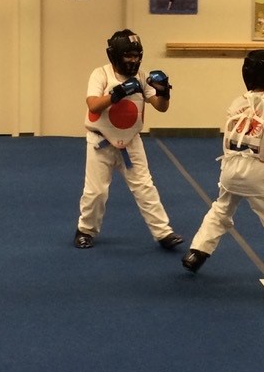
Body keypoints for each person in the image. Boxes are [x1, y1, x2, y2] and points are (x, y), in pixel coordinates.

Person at [182, 50, 264, 305]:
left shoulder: (238, 102)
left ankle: (197, 252)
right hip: (260, 172)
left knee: (221, 209)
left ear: (246, 73)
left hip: (230, 167)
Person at [74, 29, 184, 249]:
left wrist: (164, 92)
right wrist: (118, 93)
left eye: (136, 55)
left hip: (131, 141)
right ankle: (85, 230)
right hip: (100, 141)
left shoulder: (142, 77)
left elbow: (161, 108)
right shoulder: (101, 74)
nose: (133, 61)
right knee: (96, 191)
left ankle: (163, 233)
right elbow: (93, 105)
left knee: (145, 187)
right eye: (128, 56)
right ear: (115, 55)